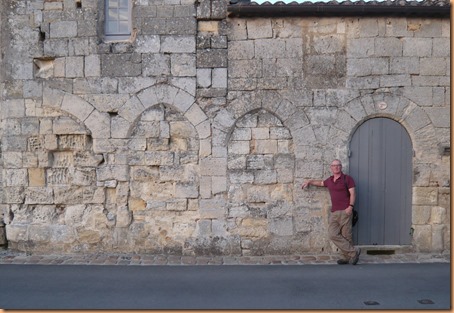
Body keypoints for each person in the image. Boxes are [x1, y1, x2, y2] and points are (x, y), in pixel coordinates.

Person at [301, 159, 360, 265]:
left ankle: (347, 257)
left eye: (338, 165)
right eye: (334, 165)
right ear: (331, 168)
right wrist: (309, 181)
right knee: (332, 234)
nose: (336, 167)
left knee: (346, 235)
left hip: (345, 211)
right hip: (334, 213)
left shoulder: (347, 179)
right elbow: (320, 183)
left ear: (341, 167)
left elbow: (353, 194)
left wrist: (350, 207)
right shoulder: (330, 180)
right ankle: (353, 252)